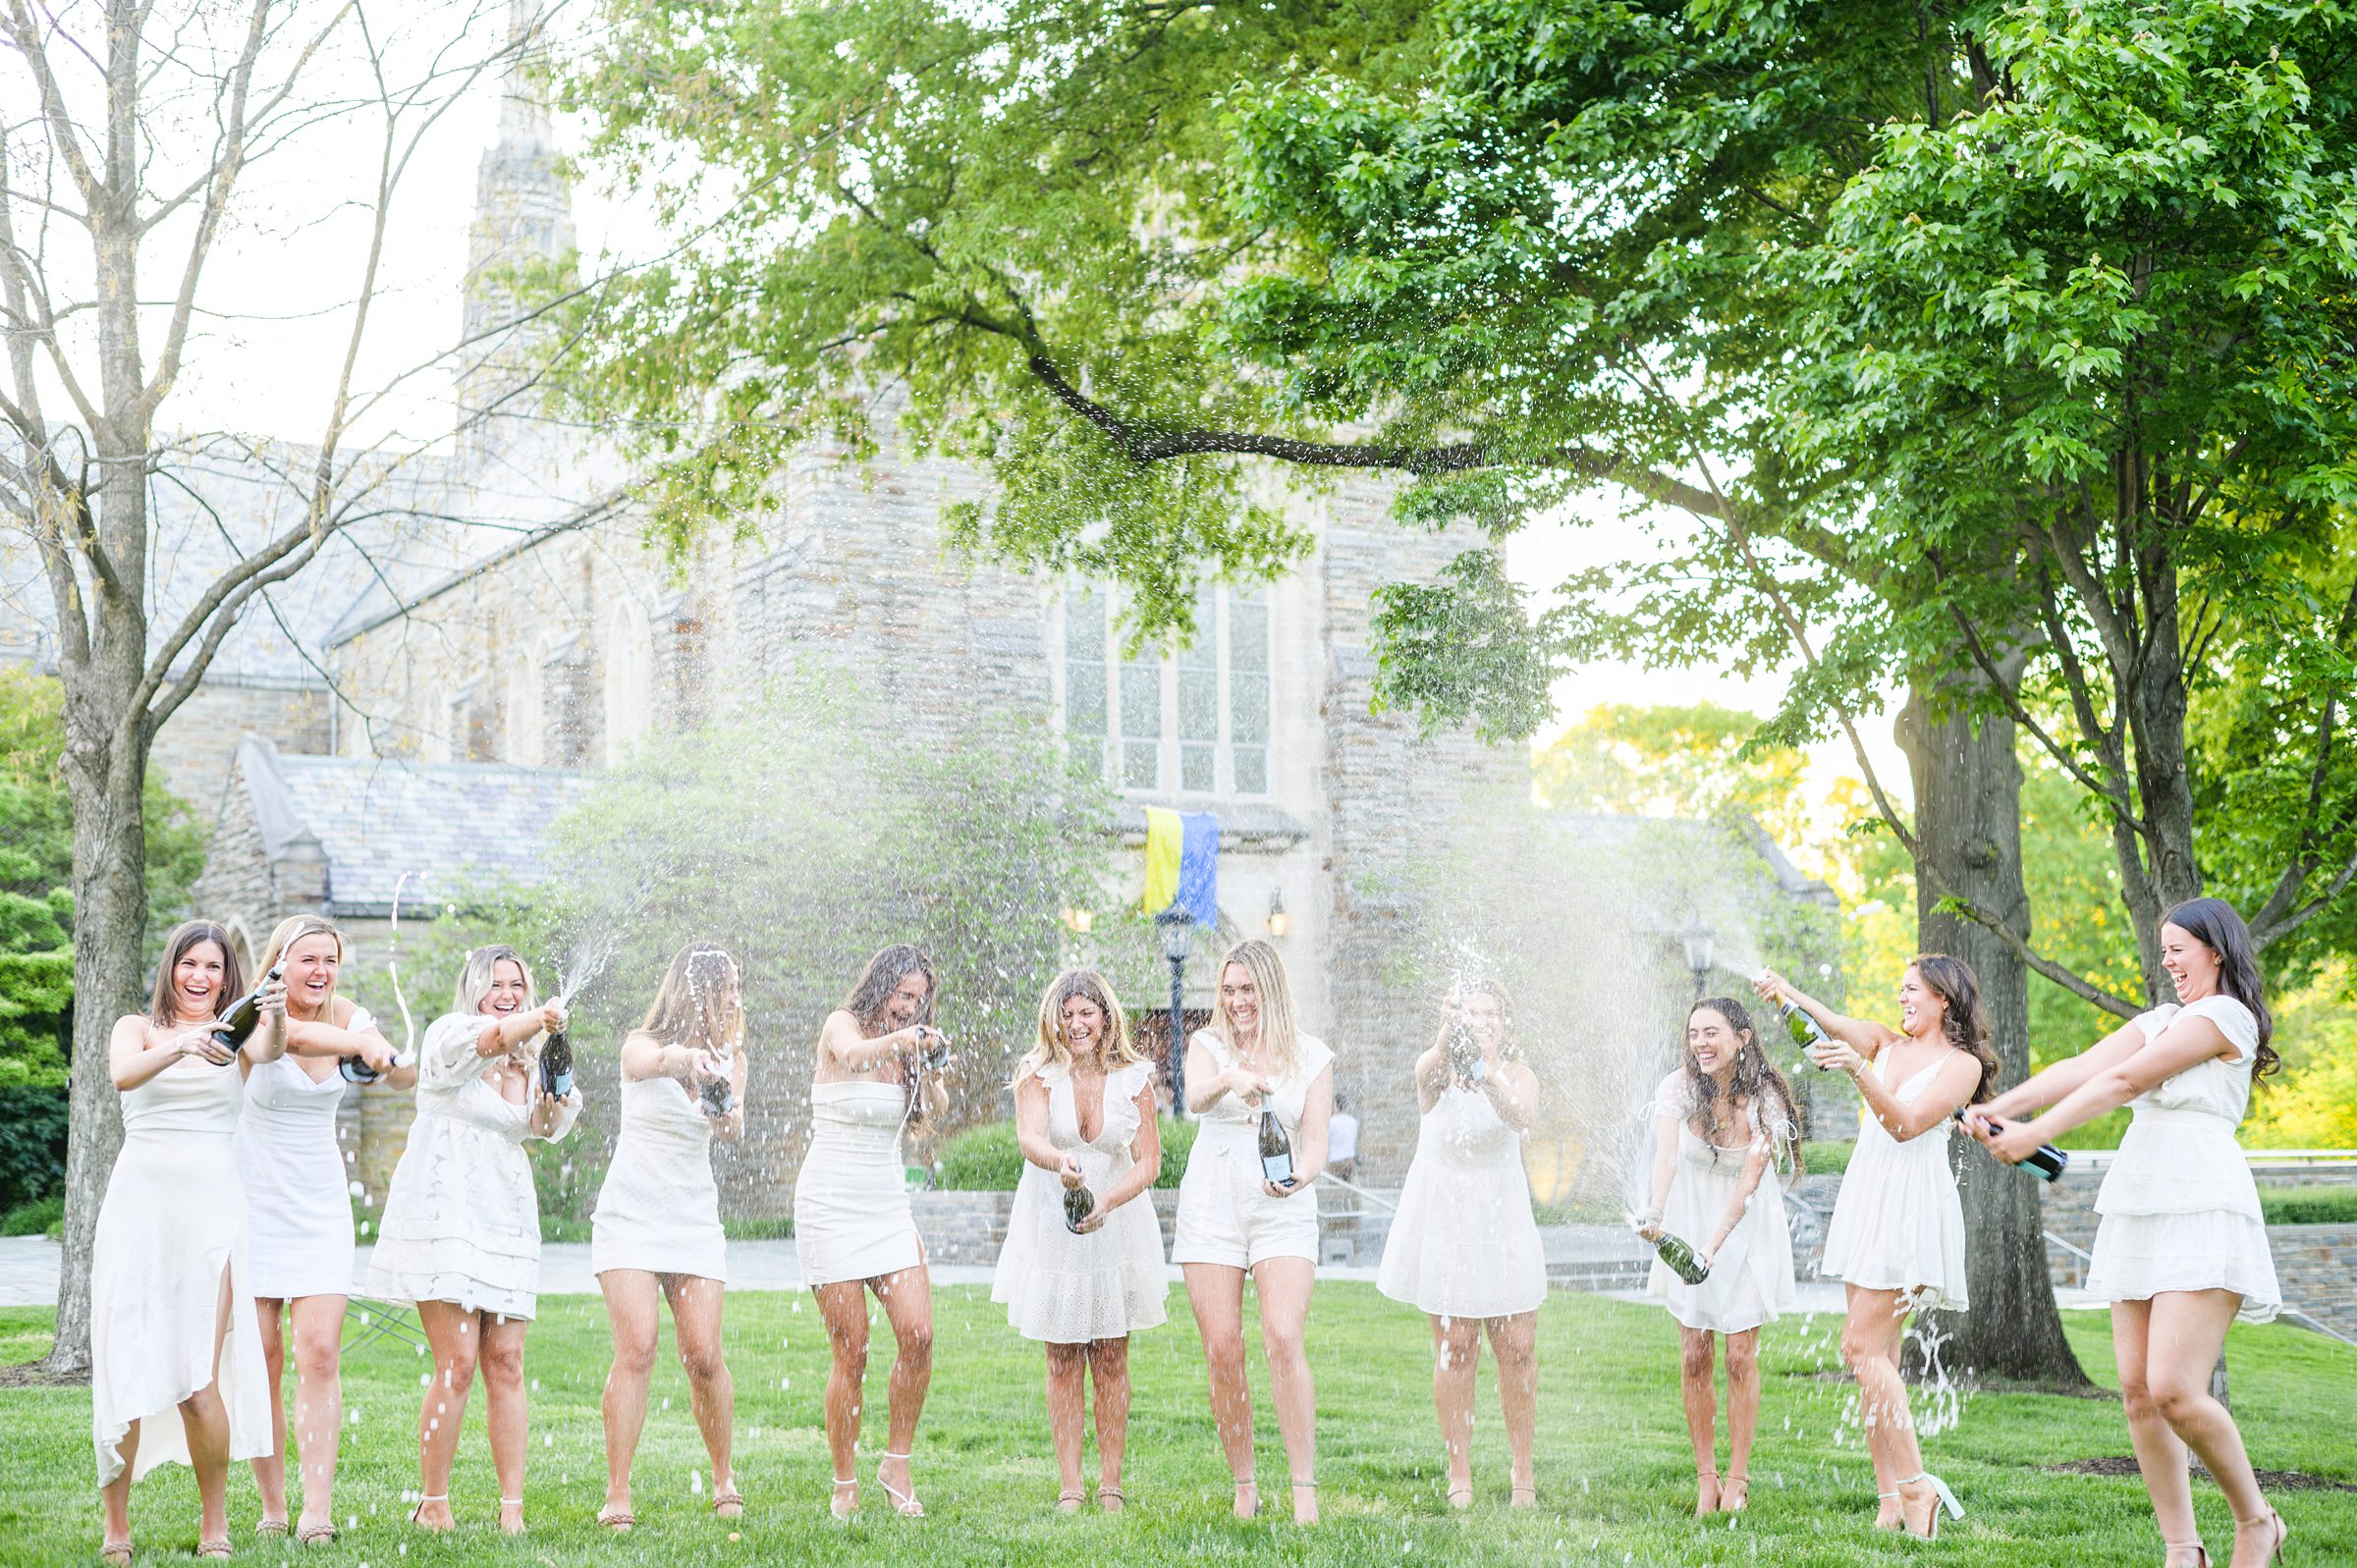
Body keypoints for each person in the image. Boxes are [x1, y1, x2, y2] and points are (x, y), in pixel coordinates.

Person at [1968, 898, 2287, 1568]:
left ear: (2216, 952)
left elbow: (2127, 1080)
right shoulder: (2163, 1018)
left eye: (2178, 948)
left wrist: (2035, 1134)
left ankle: (2256, 1520)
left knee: (2175, 1385)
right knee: (2138, 1390)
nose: (2166, 960)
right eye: (2163, 949)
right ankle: (2183, 1548)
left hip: (2201, 1195)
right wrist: (1992, 1109)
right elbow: (2082, 1067)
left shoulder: (2224, 1016)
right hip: (2143, 1193)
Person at [1756, 957, 1990, 1540]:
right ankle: (1889, 1500)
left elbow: (1907, 1124)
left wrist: (1861, 1071)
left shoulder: (1961, 1065)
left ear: (1944, 998)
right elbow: (1829, 1020)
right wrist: (1786, 991)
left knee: (1859, 1348)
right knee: (1875, 1360)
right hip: (1869, 1199)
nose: (1901, 996)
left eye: (1912, 988)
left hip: (1911, 1209)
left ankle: (1918, 1490)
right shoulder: (1885, 1041)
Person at [366, 945, 579, 1536]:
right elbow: (486, 1040)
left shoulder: (531, 1058)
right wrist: (534, 1021)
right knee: (457, 1363)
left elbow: (546, 1128)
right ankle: (434, 1500)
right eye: (496, 983)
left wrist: (547, 1095)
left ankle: (512, 1509)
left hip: (505, 1213)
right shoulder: (450, 1035)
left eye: (517, 984)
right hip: (447, 1212)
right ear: (475, 989)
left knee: (506, 1362)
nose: (507, 992)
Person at [91, 920, 284, 1564]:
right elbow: (122, 1075)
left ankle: (215, 1523)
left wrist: (273, 1012)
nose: (200, 977)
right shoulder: (134, 1027)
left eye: (213, 967)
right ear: (171, 967)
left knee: (200, 1379)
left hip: (211, 1216)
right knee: (125, 1367)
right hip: (138, 1212)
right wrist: (181, 1045)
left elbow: (275, 1046)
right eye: (189, 964)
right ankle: (116, 1527)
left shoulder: (239, 1040)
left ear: (228, 977)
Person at [235, 916, 411, 1544]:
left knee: (318, 1353)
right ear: (279, 962)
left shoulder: (352, 1016)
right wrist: (356, 1045)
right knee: (263, 1358)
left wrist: (393, 1054)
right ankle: (272, 1505)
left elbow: (399, 1069)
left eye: (329, 960)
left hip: (319, 1206)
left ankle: (316, 1511)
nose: (319, 971)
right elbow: (288, 1043)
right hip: (254, 1200)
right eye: (306, 958)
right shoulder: (255, 1012)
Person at [1171, 938, 1334, 1524]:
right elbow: (1192, 1097)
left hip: (1280, 1201)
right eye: (1229, 990)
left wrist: (1299, 1176)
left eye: (1248, 990)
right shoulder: (1207, 1045)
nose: (1238, 1001)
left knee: (1283, 1337)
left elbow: (1316, 1141)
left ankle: (1303, 1491)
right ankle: (1245, 1484)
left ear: (1271, 990)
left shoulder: (1311, 1055)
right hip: (1213, 1197)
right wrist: (1231, 1079)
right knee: (1222, 1348)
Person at [992, 970, 1168, 1512]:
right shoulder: (1038, 1073)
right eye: (1066, 1014)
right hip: (1054, 1220)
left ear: (1106, 1015)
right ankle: (1071, 1483)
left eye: (1086, 1012)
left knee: (1112, 1355)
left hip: (1117, 1220)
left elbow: (1150, 1163)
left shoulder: (1136, 1077)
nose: (1076, 1024)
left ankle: (1110, 1483)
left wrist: (1108, 1201)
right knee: (1063, 1357)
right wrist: (1060, 1163)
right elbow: (1030, 1138)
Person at [592, 944, 750, 1532]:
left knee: (704, 1354)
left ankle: (723, 1475)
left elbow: (732, 1128)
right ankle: (617, 1490)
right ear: (697, 990)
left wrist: (718, 1099)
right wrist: (683, 1060)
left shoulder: (732, 1054)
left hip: (691, 1217)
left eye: (737, 987)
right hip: (631, 1213)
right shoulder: (644, 1040)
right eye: (727, 987)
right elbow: (641, 1065)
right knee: (638, 1346)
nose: (735, 997)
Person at [794, 944, 952, 1519]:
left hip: (887, 1205)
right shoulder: (845, 1026)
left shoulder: (909, 1046)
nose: (908, 1007)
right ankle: (844, 1479)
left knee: (919, 1333)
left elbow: (930, 1114)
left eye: (918, 1000)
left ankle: (896, 1462)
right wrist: (903, 1041)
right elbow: (855, 1056)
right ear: (880, 986)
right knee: (852, 1349)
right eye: (901, 995)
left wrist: (929, 1069)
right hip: (830, 1204)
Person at [1377, 978, 1546, 1510]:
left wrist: (1488, 1072)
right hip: (1447, 1219)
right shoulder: (1435, 1071)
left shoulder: (1516, 1075)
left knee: (1517, 1348)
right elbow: (1424, 1073)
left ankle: (1522, 1473)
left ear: (1505, 1021)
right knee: (1456, 1348)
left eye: (1490, 1011)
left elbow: (1520, 1115)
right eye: (1470, 1012)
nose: (1481, 1020)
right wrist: (1449, 1035)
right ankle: (1460, 1473)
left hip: (1503, 1218)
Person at [1636, 996, 1799, 1517]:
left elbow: (1751, 1181)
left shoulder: (1765, 1097)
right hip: (1689, 1210)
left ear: (1742, 1038)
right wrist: (1656, 1213)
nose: (1700, 1043)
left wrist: (1713, 1246)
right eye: (1693, 1034)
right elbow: (1665, 1155)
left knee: (1737, 1355)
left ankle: (1738, 1478)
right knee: (1694, 1353)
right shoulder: (1679, 1087)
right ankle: (1706, 1478)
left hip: (1745, 1223)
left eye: (1712, 1032)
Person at [1325, 1093, 1359, 1184]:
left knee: (1333, 1189)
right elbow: (1354, 1139)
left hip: (1335, 1159)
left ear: (1335, 1105)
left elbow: (1326, 1140)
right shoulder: (1353, 1121)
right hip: (1349, 1159)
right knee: (1348, 1188)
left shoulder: (1330, 1122)